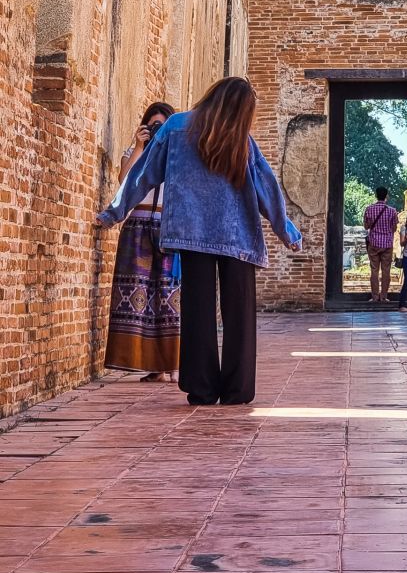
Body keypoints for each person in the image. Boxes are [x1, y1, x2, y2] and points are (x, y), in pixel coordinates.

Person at [97, 77, 301, 406]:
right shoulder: (242, 140)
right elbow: (268, 191)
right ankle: (238, 390)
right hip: (237, 237)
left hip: (191, 234)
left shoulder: (177, 127)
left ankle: (202, 388)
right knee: (239, 316)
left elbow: (143, 175)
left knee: (197, 312)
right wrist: (286, 231)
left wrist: (113, 212)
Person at [104, 101, 180, 383]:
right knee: (137, 298)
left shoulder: (178, 155)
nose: (157, 129)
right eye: (153, 124)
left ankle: (174, 365)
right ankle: (151, 365)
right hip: (136, 227)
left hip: (168, 229)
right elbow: (125, 183)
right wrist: (139, 147)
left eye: (162, 125)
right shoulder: (134, 152)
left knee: (170, 299)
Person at [363, 186, 399, 302]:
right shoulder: (392, 211)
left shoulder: (369, 209)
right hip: (387, 244)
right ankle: (383, 297)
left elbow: (366, 226)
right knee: (386, 271)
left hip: (373, 243)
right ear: (386, 196)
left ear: (376, 195)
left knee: (374, 270)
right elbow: (394, 228)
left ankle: (374, 297)